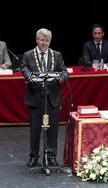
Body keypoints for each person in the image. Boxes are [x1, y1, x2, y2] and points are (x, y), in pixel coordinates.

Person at [20, 28, 69, 168]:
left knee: (53, 129)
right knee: (35, 129)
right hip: (35, 96)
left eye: (47, 40)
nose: (44, 43)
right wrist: (29, 77)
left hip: (52, 96)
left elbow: (64, 71)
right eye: (42, 40)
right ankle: (34, 156)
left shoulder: (57, 55)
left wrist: (61, 77)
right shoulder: (28, 55)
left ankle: (51, 156)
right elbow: (23, 68)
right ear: (37, 40)